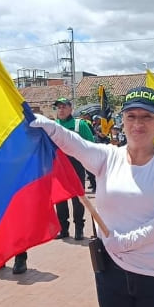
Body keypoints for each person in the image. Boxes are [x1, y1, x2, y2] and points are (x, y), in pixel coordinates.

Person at [30, 86, 154, 307]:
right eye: (131, 116)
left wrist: (127, 241)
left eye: (147, 117)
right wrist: (49, 126)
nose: (138, 123)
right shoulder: (108, 156)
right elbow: (75, 144)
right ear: (122, 121)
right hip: (111, 273)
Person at [52, 97, 95, 240]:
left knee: (78, 200)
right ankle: (63, 229)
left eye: (64, 107)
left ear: (71, 109)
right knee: (60, 200)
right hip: (58, 168)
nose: (61, 110)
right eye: (59, 107)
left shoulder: (79, 124)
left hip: (76, 166)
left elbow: (91, 145)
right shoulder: (53, 125)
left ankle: (79, 229)